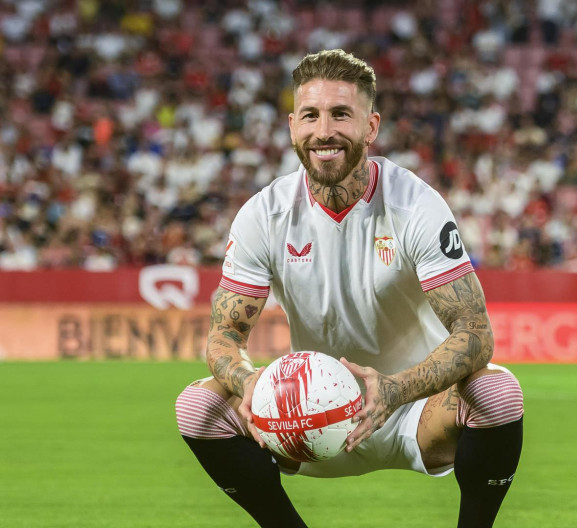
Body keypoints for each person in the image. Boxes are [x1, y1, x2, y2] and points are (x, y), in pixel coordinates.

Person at [174, 49, 524, 527]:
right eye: (311, 116)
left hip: (413, 410)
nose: (324, 131)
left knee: (498, 393)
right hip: (305, 415)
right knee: (197, 407)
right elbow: (223, 339)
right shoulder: (265, 213)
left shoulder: (415, 205)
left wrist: (395, 390)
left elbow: (475, 334)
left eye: (341, 114)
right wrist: (248, 382)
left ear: (370, 127)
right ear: (292, 126)